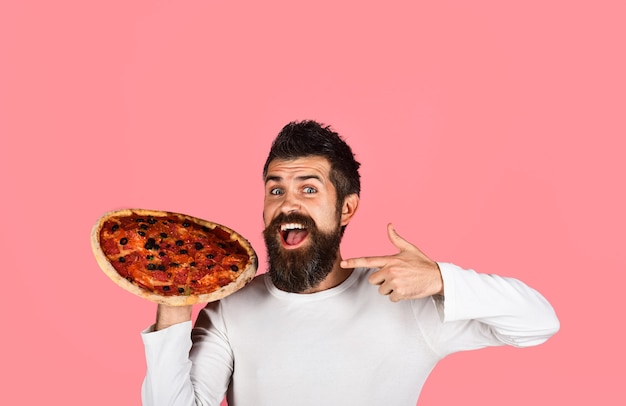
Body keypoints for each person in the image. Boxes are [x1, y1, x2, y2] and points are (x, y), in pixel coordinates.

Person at [141, 120, 559, 406]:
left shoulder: (403, 299)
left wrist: (441, 279)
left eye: (308, 189)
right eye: (275, 190)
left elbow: (537, 323)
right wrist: (173, 295)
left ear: (346, 208)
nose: (287, 203)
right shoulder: (230, 308)